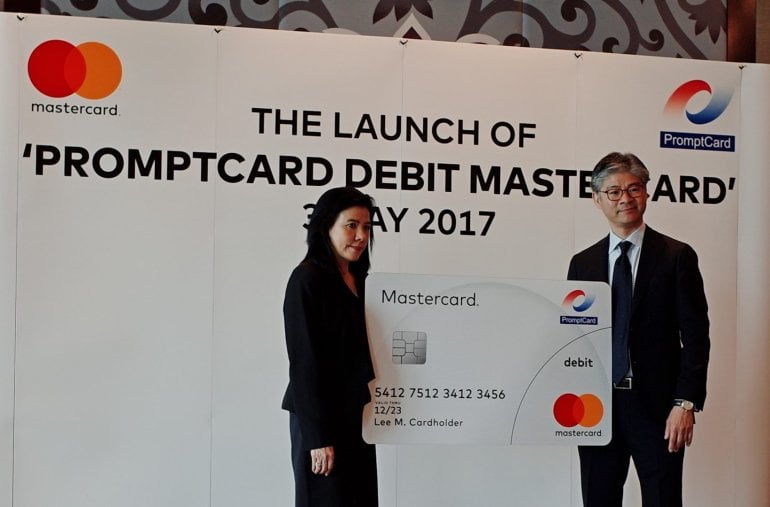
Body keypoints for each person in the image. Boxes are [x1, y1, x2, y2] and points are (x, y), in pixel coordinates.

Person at [567, 152, 710, 507]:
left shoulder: (676, 256)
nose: (625, 199)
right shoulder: (583, 263)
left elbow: (696, 337)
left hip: (659, 409)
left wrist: (685, 402)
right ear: (596, 199)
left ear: (646, 193)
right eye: (614, 191)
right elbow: (574, 339)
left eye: (634, 189)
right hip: (598, 409)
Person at [281, 186, 379, 507]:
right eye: (351, 225)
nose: (361, 236)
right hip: (321, 419)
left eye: (366, 227)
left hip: (357, 417)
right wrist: (318, 438)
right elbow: (303, 362)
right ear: (325, 226)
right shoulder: (306, 279)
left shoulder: (363, 281)